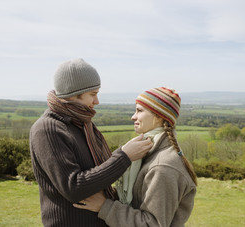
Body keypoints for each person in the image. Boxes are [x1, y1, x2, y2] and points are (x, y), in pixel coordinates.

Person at [29, 58, 153, 227]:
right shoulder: (48, 130)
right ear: (74, 94)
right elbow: (73, 188)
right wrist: (125, 156)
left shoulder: (82, 123)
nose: (97, 101)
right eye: (93, 94)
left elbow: (101, 170)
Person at [74, 87, 198, 227]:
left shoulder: (162, 167)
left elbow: (152, 224)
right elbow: (137, 200)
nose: (133, 116)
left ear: (159, 116)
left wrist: (104, 206)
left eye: (139, 110)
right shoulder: (147, 154)